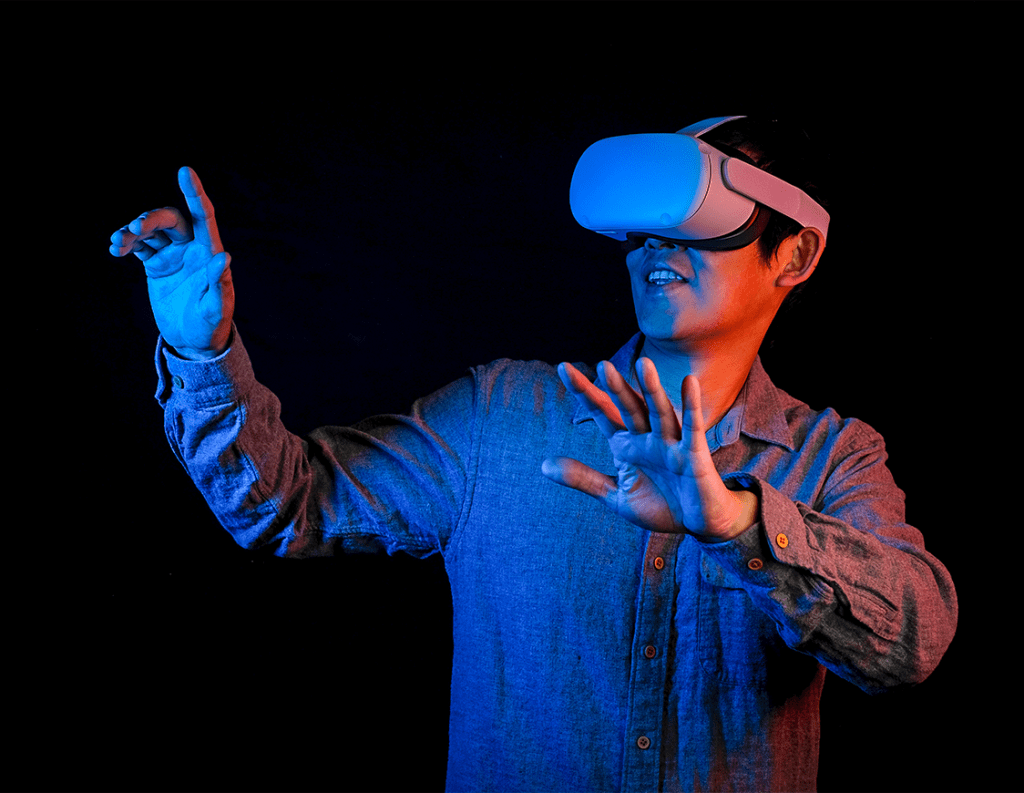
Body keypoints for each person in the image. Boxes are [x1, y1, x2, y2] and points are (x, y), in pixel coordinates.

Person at [109, 116, 957, 793]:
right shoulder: (500, 416)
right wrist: (200, 351)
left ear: (795, 253)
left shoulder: (834, 458)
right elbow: (288, 506)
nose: (658, 245)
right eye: (644, 230)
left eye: (700, 224)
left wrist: (739, 524)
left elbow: (911, 645)